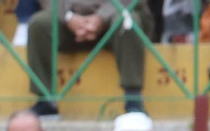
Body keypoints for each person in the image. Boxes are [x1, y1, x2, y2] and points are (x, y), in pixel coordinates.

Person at [25, 0, 154, 118]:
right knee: (39, 24)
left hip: (117, 14)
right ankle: (45, 101)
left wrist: (101, 17)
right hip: (69, 20)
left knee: (127, 22)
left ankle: (133, 99)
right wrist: (69, 18)